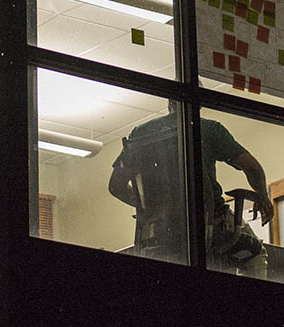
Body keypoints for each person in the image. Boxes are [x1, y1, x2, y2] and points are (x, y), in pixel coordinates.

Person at [108, 102, 273, 267]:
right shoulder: (208, 129)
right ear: (199, 105)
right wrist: (263, 197)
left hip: (160, 234)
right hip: (211, 226)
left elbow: (116, 187)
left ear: (169, 103)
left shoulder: (139, 134)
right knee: (256, 253)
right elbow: (253, 168)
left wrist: (151, 208)